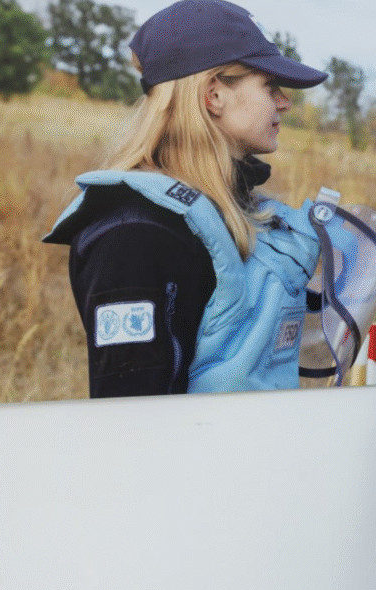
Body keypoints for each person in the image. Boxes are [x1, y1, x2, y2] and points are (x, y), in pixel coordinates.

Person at [43, 0, 329, 397]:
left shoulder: (234, 209)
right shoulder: (134, 233)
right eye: (269, 85)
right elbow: (132, 425)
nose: (285, 102)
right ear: (214, 95)